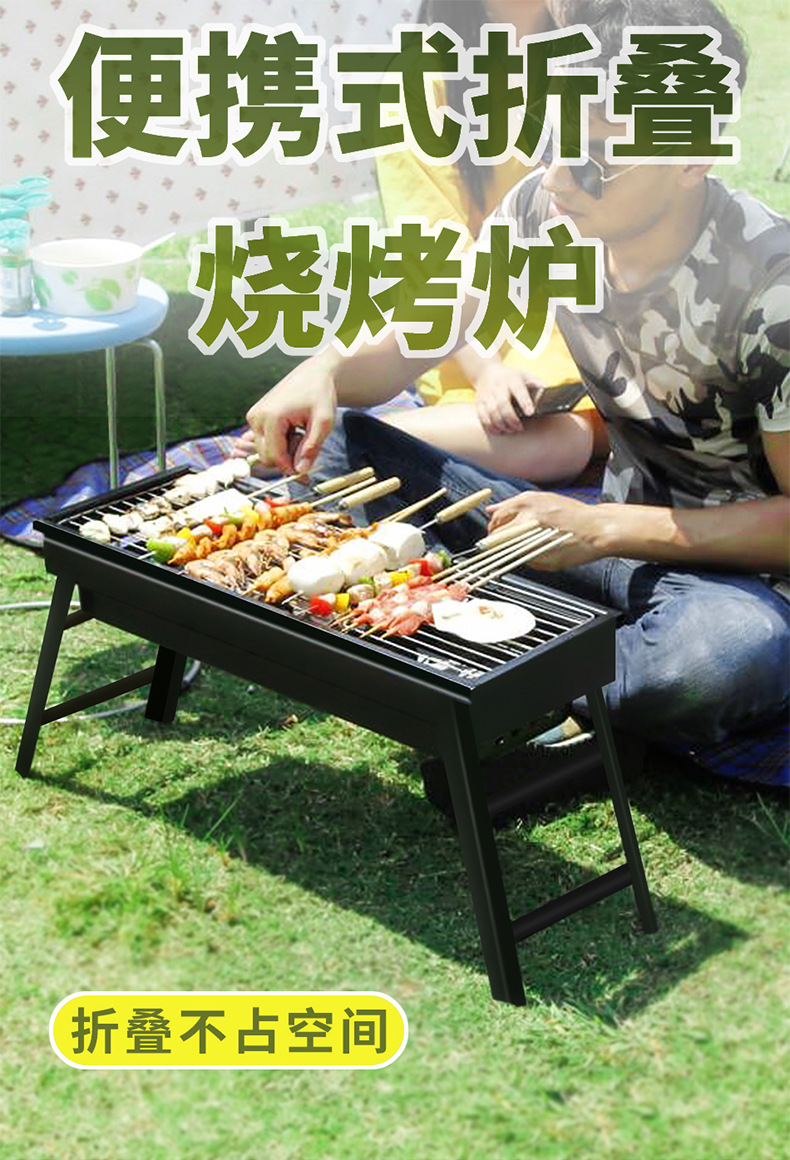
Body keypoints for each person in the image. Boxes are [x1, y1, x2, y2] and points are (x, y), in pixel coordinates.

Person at [244, 0, 790, 752]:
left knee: (720, 658)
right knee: (340, 445)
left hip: (741, 583)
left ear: (691, 155)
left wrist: (603, 527)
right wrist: (327, 368)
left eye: (593, 159)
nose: (559, 180)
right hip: (600, 549)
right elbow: (432, 325)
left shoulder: (771, 293)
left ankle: (499, 663)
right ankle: (542, 664)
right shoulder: (549, 210)